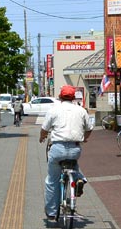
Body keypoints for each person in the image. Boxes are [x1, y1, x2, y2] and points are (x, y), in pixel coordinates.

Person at [39, 85, 92, 220]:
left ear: (60, 97)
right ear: (74, 97)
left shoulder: (54, 110)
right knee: (73, 164)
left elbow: (44, 129)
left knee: (52, 180)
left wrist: (42, 137)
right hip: (74, 149)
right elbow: (89, 128)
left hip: (58, 148)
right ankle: (79, 179)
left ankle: (52, 212)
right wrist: (84, 139)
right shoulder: (81, 111)